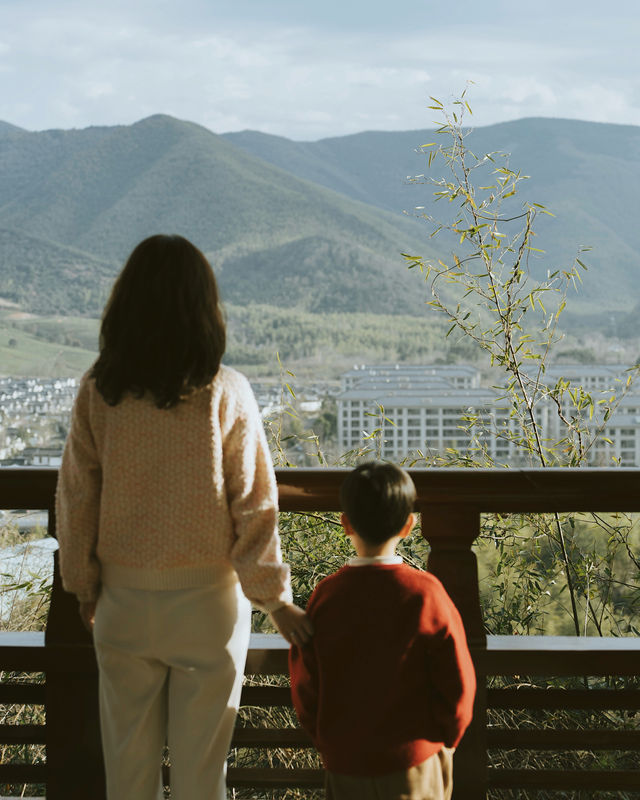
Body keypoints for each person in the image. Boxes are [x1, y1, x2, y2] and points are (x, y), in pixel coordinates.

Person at [55, 234, 312, 800]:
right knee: (202, 776)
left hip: (122, 603)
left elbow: (76, 497)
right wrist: (273, 597)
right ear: (205, 308)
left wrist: (83, 584)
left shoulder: (99, 392)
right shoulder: (225, 391)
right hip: (210, 608)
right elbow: (254, 501)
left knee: (127, 774)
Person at [289, 460, 476, 800]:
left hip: (345, 763)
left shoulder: (327, 596)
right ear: (408, 525)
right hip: (415, 761)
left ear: (346, 524)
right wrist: (447, 738)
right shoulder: (425, 593)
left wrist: (328, 741)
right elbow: (458, 679)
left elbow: (305, 680)